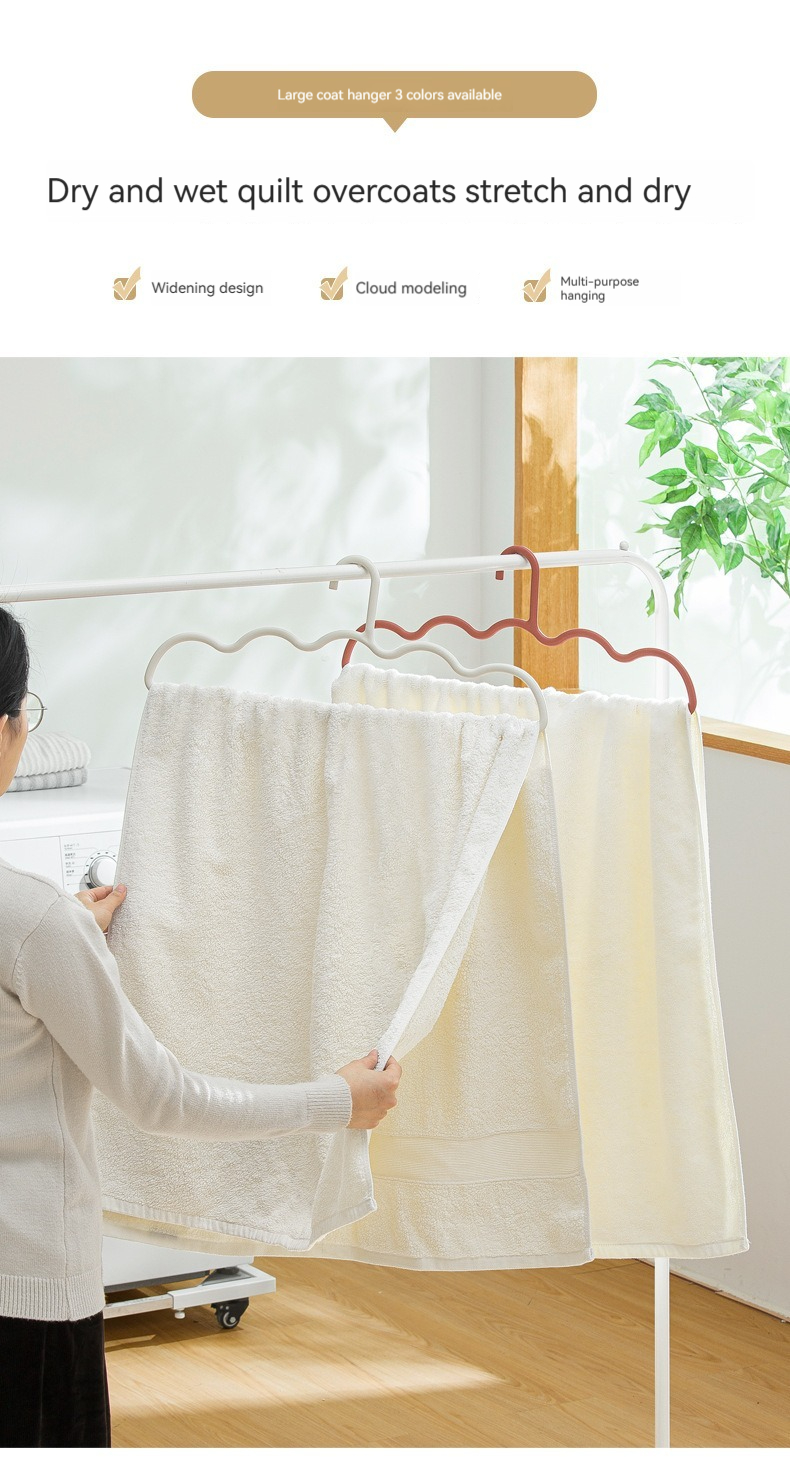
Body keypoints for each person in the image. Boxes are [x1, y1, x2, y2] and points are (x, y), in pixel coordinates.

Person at [0, 605, 401, 1449]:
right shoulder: (33, 923)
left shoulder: (39, 926)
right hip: (25, 1298)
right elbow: (164, 1098)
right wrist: (338, 1099)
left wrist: (65, 937)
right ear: (9, 732)